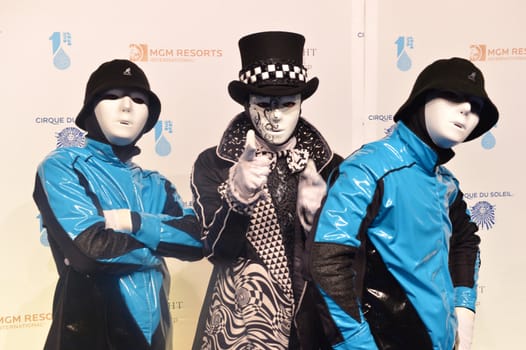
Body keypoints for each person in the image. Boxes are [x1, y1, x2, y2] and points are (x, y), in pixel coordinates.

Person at [307, 57, 499, 350]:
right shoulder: (370, 169)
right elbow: (326, 258)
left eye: (475, 106)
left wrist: (464, 313)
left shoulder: (446, 183)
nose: (466, 110)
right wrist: (358, 344)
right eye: (454, 96)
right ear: (422, 100)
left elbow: (465, 242)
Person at [33, 59, 203, 350]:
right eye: (112, 96)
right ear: (90, 109)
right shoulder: (62, 166)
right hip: (90, 330)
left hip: (156, 334)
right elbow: (91, 251)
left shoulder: (155, 183)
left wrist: (132, 222)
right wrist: (157, 248)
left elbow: (197, 241)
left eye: (139, 100)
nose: (126, 106)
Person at [190, 31, 342, 350]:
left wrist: (320, 216)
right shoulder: (215, 163)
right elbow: (217, 252)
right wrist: (238, 198)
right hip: (242, 326)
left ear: (301, 104)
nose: (275, 116)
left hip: (315, 328)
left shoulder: (330, 167)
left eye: (287, 104)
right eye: (263, 104)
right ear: (247, 103)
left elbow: (344, 260)